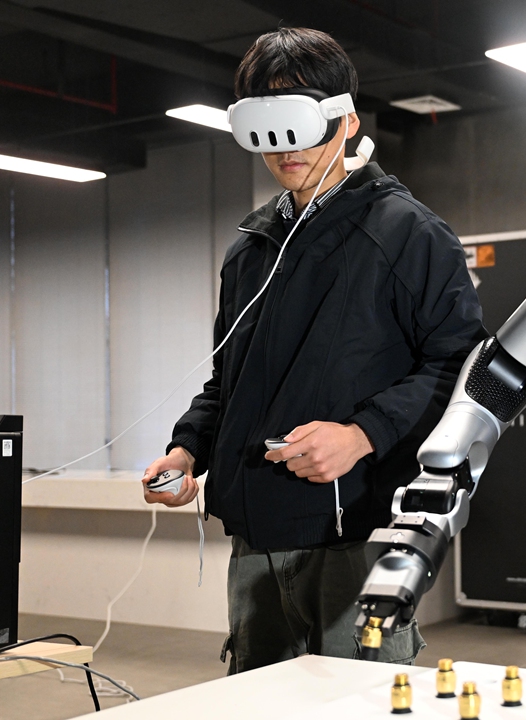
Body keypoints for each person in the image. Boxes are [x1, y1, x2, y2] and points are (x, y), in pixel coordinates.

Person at [140, 27, 485, 674]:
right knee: (259, 699)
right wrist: (190, 448)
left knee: (358, 697)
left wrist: (361, 435)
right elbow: (229, 380)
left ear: (347, 120)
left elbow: (464, 370)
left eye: (300, 122)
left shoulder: (408, 235)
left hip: (354, 534)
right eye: (267, 125)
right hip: (256, 541)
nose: (286, 148)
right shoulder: (251, 250)